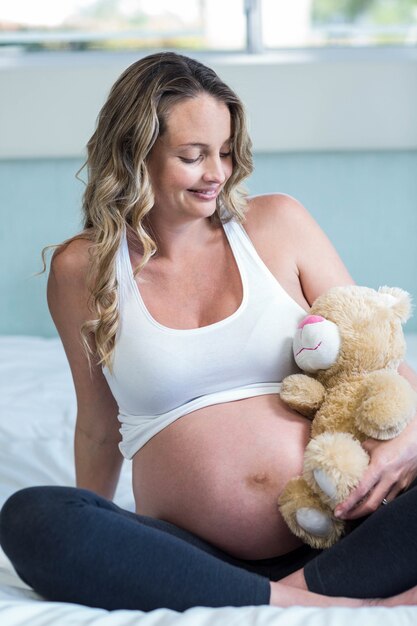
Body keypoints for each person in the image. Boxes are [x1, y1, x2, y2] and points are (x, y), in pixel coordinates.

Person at [1, 51, 417, 612]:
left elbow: (381, 358)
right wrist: (95, 523)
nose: (217, 174)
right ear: (134, 154)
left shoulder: (278, 223)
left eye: (224, 152)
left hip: (351, 529)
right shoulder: (83, 271)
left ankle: (287, 598)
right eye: (193, 156)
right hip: (192, 554)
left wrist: (407, 442)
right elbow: (99, 428)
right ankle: (325, 599)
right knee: (34, 518)